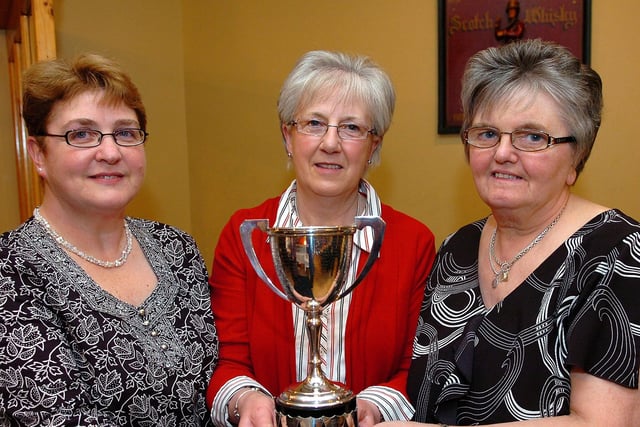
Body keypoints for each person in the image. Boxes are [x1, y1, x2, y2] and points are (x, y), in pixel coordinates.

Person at [380, 39, 640, 427]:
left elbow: (604, 423)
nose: (502, 153)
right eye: (486, 134)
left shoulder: (617, 253)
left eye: (532, 137)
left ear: (577, 156)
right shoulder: (457, 249)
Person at [206, 50, 436, 426]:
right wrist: (245, 401)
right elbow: (227, 359)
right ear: (288, 135)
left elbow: (418, 367)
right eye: (314, 123)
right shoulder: (245, 233)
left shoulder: (413, 242)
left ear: (373, 146)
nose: (331, 143)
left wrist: (371, 407)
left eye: (351, 128)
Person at [0, 53, 218, 425]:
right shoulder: (11, 269)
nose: (111, 152)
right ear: (38, 154)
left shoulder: (176, 248)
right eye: (81, 134)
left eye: (125, 133)